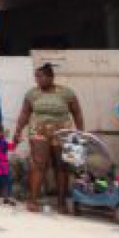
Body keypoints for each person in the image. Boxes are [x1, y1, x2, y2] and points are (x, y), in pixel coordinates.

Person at [12, 63, 84, 213]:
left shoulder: (66, 93)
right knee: (38, 165)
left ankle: (62, 203)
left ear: (51, 77)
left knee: (62, 166)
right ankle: (33, 200)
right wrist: (18, 130)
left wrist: (80, 132)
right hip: (39, 132)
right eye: (36, 76)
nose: (37, 80)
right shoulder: (32, 94)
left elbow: (77, 112)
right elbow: (24, 113)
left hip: (63, 133)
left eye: (41, 76)